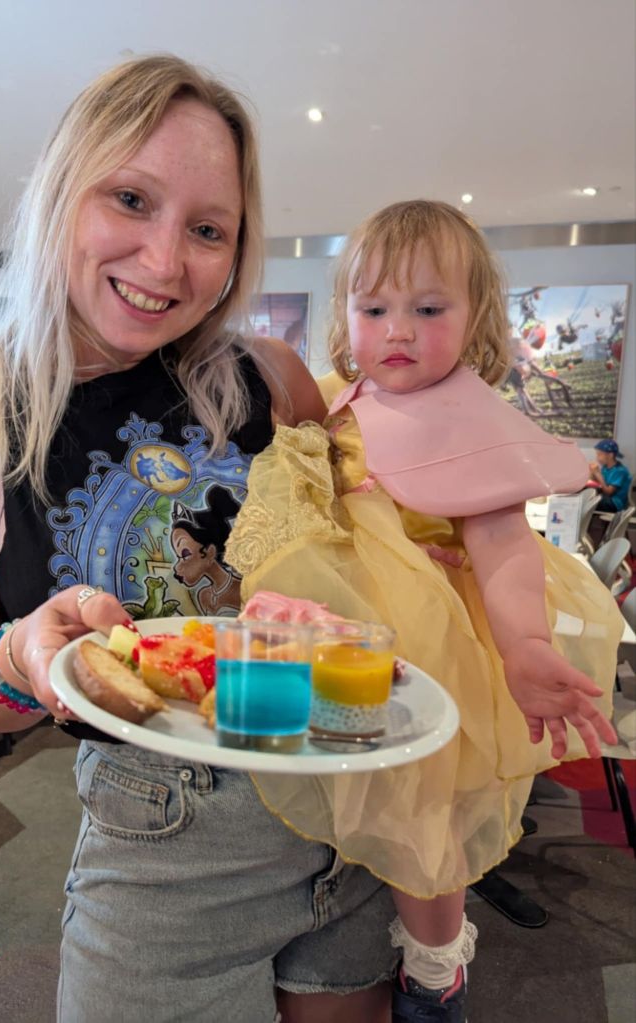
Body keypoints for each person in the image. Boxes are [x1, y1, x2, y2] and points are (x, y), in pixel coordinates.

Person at [0, 55, 399, 1023]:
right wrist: (22, 656)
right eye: (130, 199)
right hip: (165, 837)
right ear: (63, 192)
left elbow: (361, 562)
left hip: (346, 795)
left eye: (207, 229)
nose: (164, 262)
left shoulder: (270, 375)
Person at [226, 200, 622, 1021]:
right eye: (373, 308)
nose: (397, 330)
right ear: (344, 313)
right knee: (329, 779)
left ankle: (435, 966)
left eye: (429, 308)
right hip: (340, 632)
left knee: (426, 817)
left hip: (431, 643)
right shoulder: (335, 399)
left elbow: (502, 539)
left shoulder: (469, 418)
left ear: (474, 316)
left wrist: (522, 643)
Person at [589, 439, 632, 512]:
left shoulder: (620, 471)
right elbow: (599, 483)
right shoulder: (605, 467)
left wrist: (597, 474)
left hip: (615, 503)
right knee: (587, 495)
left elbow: (608, 492)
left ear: (610, 455)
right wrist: (592, 473)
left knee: (591, 501)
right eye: (597, 454)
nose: (597, 457)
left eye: (600, 454)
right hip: (606, 497)